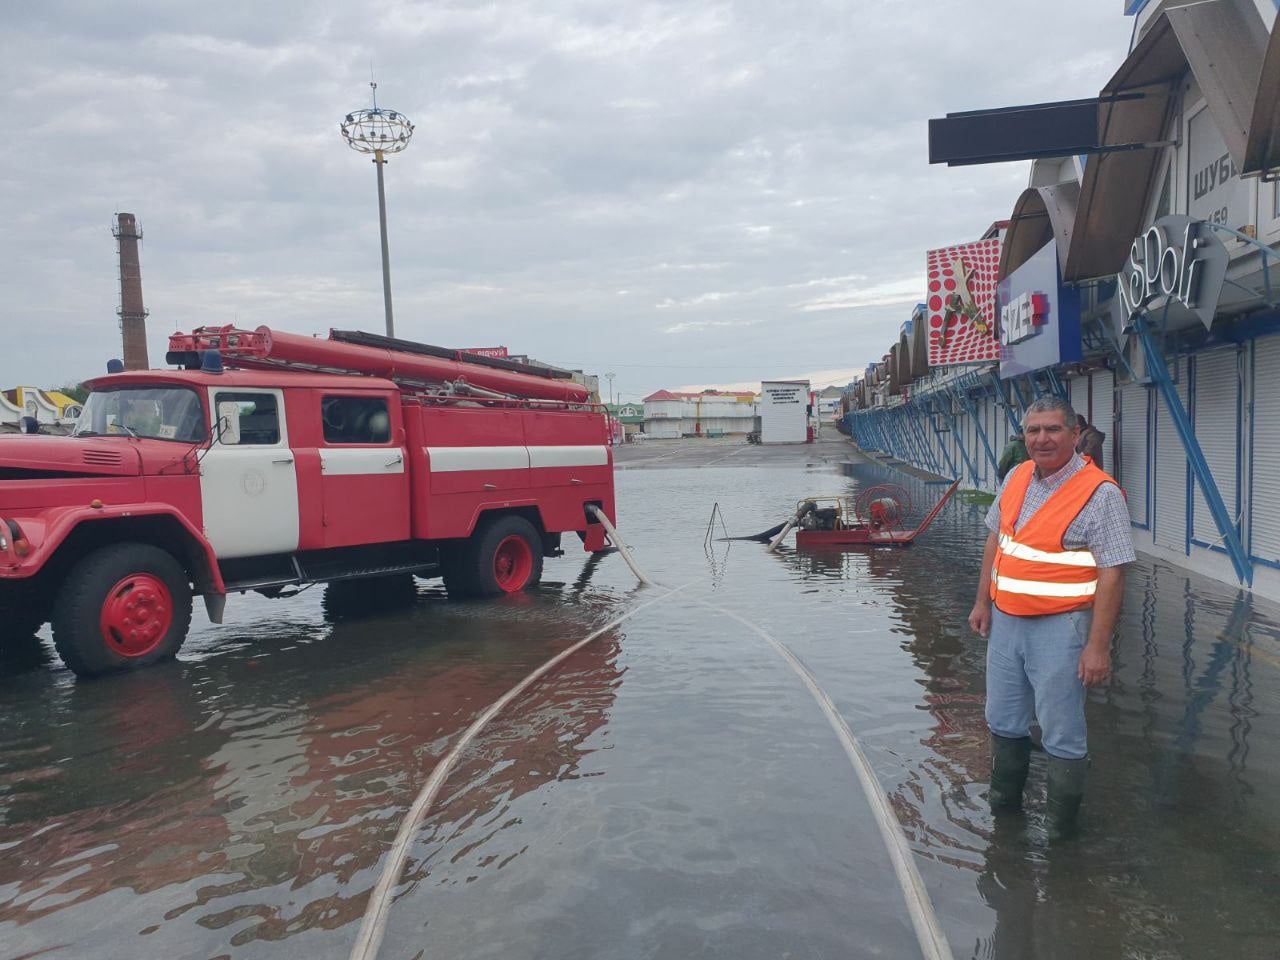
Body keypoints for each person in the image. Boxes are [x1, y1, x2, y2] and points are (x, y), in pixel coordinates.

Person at [967, 397, 1135, 840]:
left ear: (1075, 435)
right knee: (1002, 719)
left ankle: (1060, 835)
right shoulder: (1018, 476)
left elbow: (1113, 573)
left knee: (1061, 730)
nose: (1042, 439)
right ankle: (1005, 814)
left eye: (1053, 429)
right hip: (1006, 622)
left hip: (1062, 627)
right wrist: (982, 602)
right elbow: (996, 542)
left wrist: (1098, 647)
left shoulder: (1100, 494)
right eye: (1033, 430)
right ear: (1024, 436)